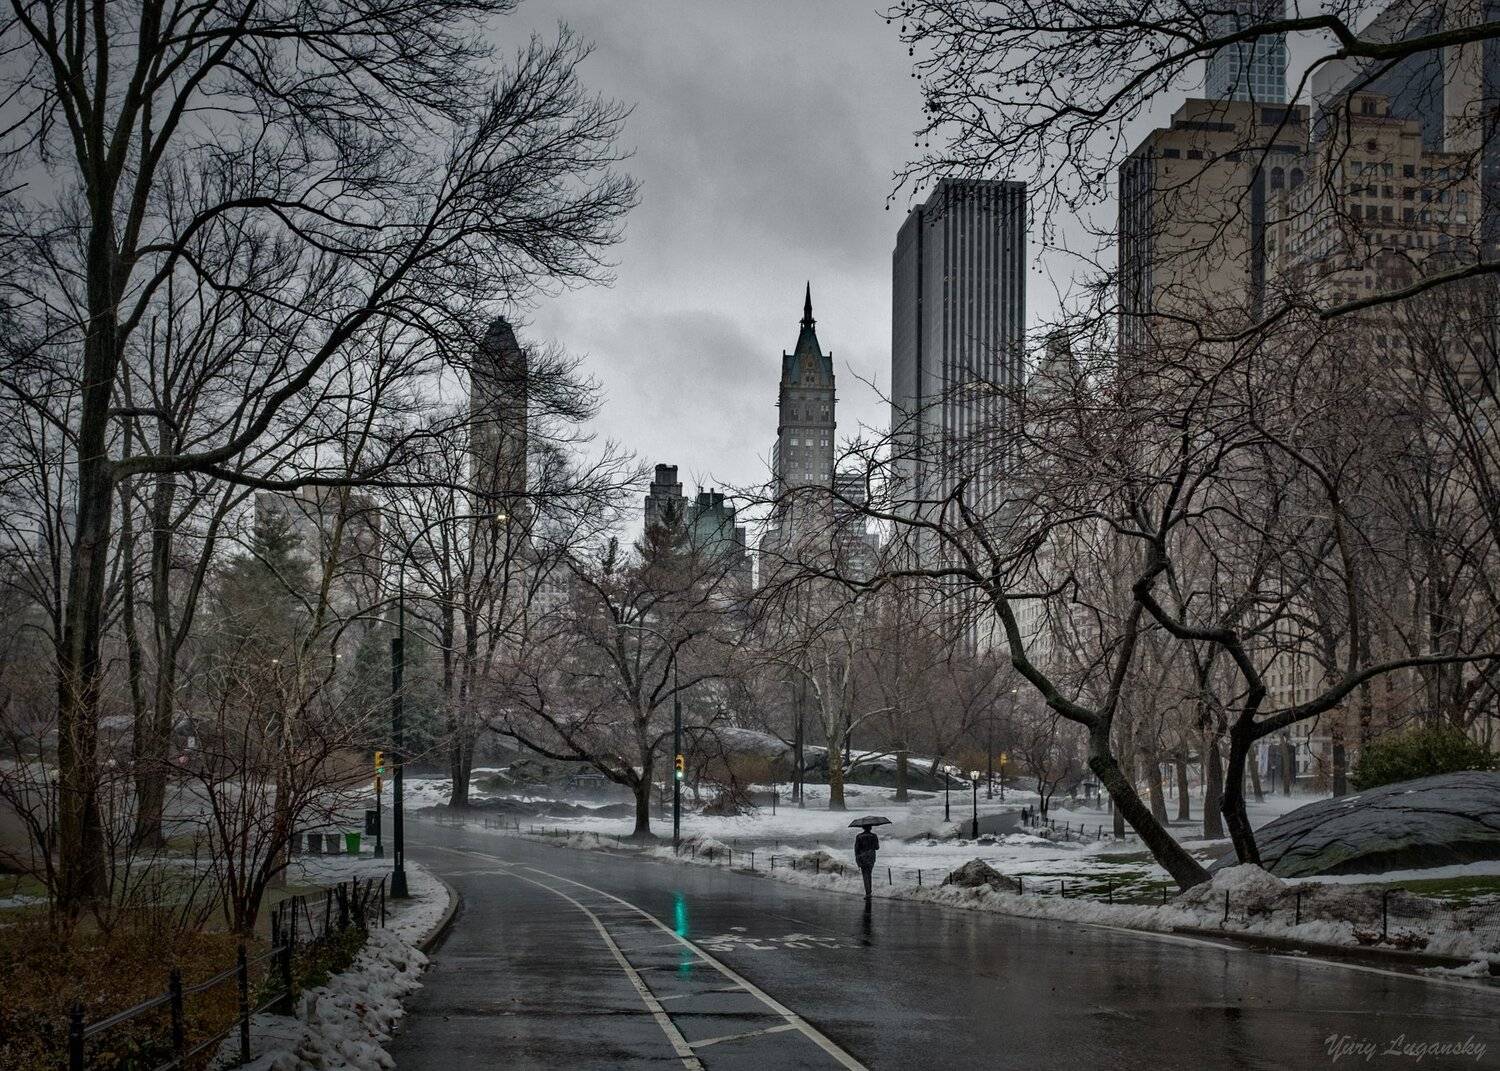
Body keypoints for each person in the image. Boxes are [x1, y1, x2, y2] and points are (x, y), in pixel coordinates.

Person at [854, 825, 880, 900]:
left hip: (862, 857)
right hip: (871, 857)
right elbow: (877, 847)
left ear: (863, 827)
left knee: (865, 875)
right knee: (869, 874)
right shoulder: (874, 836)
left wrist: (857, 859)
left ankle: (868, 893)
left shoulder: (859, 836)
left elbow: (856, 849)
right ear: (870, 828)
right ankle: (869, 892)